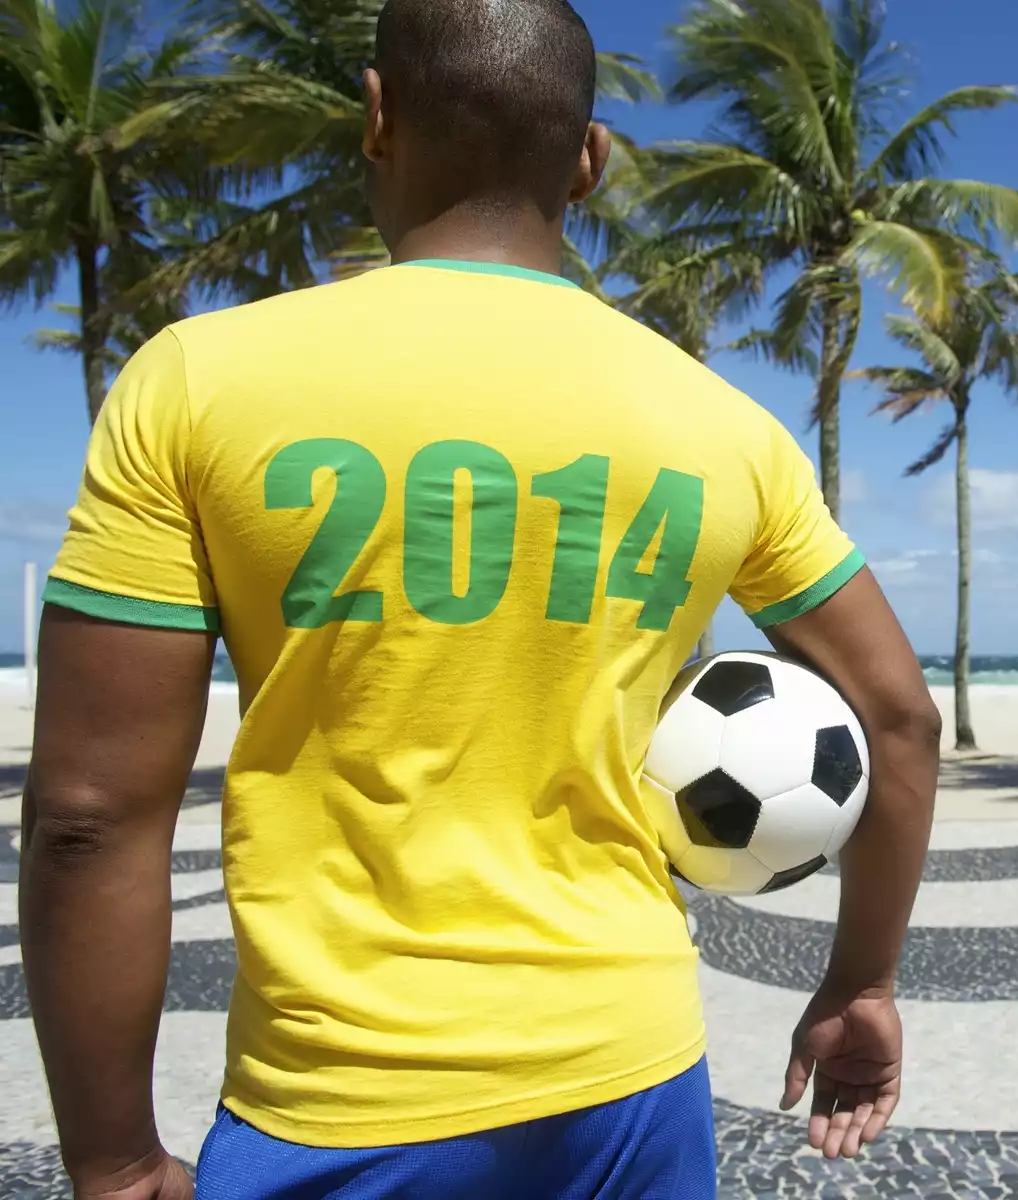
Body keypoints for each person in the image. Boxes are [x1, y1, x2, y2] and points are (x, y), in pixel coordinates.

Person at [18, 0, 941, 1196]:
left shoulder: (197, 383)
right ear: (590, 159)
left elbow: (86, 815)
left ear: (376, 116)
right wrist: (862, 982)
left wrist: (113, 1157)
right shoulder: (725, 428)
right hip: (634, 1086)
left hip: (339, 1097)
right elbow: (900, 718)